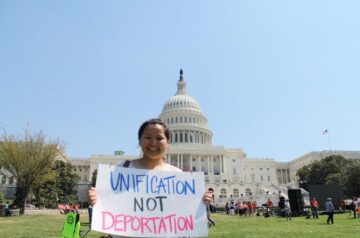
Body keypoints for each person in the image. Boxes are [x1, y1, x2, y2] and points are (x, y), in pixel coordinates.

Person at [87, 119, 213, 236]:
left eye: (159, 138)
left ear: (167, 142)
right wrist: (96, 199)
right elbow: (109, 200)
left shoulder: (177, 175)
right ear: (140, 140)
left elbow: (183, 210)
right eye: (147, 137)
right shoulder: (122, 168)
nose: (153, 143)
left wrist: (200, 201)